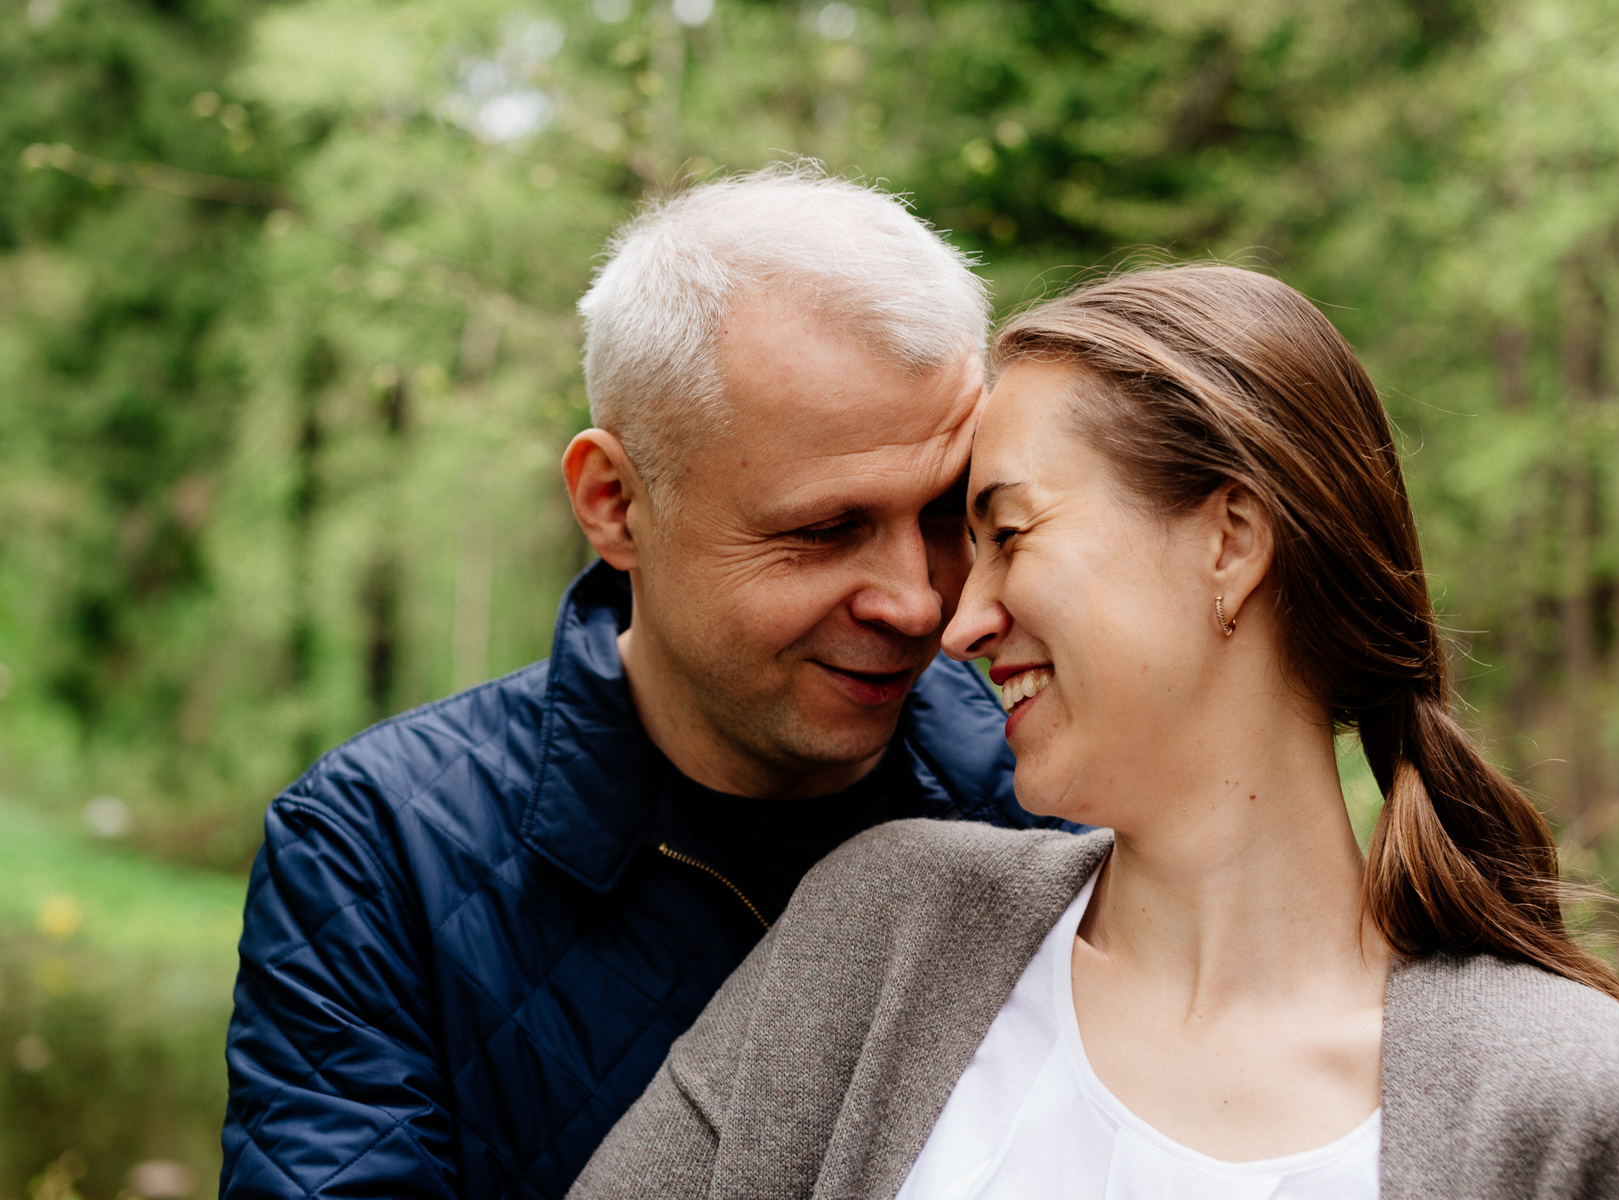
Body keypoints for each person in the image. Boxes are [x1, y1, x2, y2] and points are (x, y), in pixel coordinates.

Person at [572, 265, 1619, 1200]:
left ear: (1231, 541)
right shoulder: (885, 935)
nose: (955, 620)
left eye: (1007, 532)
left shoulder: (1552, 1094)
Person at [217, 166, 1067, 1200]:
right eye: (824, 530)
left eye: (945, 514)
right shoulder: (378, 854)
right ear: (615, 503)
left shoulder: (1050, 814)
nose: (917, 604)